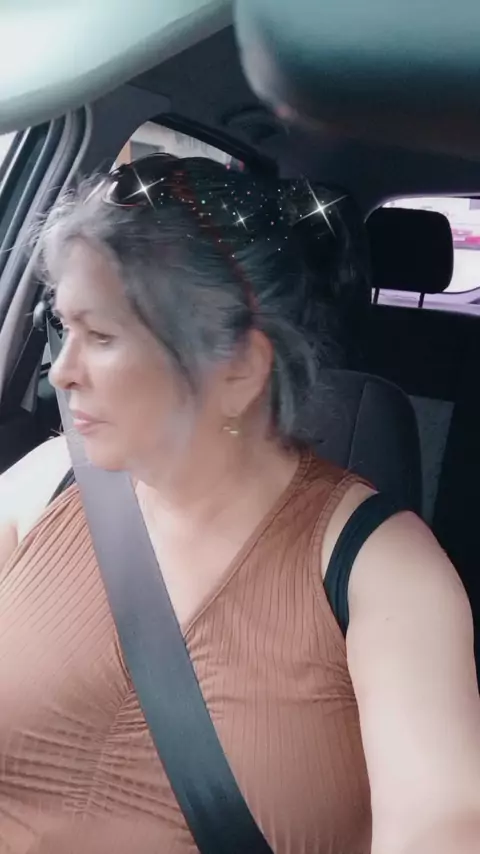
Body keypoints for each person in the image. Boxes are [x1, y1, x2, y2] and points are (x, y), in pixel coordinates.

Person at [0, 154, 479, 854]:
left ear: (237, 370)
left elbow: (443, 823)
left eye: (101, 337)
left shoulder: (383, 568)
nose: (62, 372)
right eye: (61, 329)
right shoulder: (42, 484)